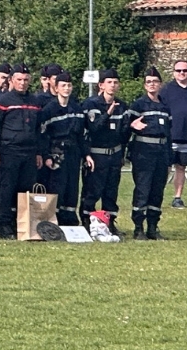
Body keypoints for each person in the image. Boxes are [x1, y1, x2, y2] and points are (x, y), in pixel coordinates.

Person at [0, 65, 46, 239]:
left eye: (26, 79)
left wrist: (39, 153)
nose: (22, 83)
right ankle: (3, 223)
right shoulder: (3, 101)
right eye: (19, 79)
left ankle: (21, 223)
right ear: (11, 80)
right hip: (8, 151)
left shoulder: (35, 102)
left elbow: (38, 130)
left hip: (29, 151)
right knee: (6, 188)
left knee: (25, 189)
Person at [128, 69, 171, 239]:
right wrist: (132, 126)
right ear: (145, 85)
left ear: (160, 84)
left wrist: (169, 158)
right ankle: (138, 227)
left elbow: (169, 133)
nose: (152, 84)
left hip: (161, 152)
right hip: (143, 153)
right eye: (148, 81)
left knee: (157, 190)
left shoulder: (165, 107)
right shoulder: (138, 105)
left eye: (155, 81)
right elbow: (127, 127)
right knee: (142, 190)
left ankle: (153, 226)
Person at [81, 73, 127, 230]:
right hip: (96, 154)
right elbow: (93, 129)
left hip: (114, 154)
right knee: (92, 190)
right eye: (109, 82)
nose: (112, 85)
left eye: (115, 82)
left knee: (111, 191)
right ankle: (88, 222)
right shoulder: (91, 104)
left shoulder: (122, 105)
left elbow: (124, 133)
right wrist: (108, 114)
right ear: (101, 85)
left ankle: (109, 222)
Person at [43, 77, 87, 226]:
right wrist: (46, 156)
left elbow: (81, 135)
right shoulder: (49, 109)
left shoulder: (77, 109)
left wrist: (86, 154)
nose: (67, 88)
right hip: (56, 153)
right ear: (56, 88)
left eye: (69, 85)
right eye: (63, 85)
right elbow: (43, 135)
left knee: (72, 186)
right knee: (57, 186)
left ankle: (69, 219)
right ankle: (54, 220)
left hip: (73, 152)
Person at [162, 59, 187, 207]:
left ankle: (177, 198)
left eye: (185, 70)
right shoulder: (166, 90)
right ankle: (157, 196)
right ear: (174, 72)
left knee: (181, 167)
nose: (182, 73)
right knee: (165, 168)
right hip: (170, 136)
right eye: (178, 71)